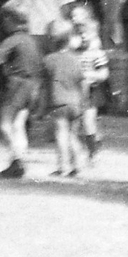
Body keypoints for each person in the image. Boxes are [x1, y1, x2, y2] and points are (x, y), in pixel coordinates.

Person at [0, 6, 43, 179]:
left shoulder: (13, 39)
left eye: (5, 21)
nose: (3, 25)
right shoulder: (31, 41)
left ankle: (18, 160)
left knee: (4, 124)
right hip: (33, 86)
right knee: (19, 126)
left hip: (17, 85)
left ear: (11, 21)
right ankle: (16, 164)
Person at [41, 20, 87, 178]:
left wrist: (41, 105)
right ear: (69, 40)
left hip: (57, 102)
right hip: (75, 103)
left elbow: (44, 85)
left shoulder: (48, 60)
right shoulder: (76, 59)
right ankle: (78, 165)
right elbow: (82, 83)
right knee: (73, 135)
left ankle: (63, 167)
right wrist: (84, 103)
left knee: (61, 134)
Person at [70, 0, 110, 160]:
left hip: (91, 90)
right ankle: (79, 150)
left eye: (86, 33)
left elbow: (104, 73)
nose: (83, 36)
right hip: (75, 88)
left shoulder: (96, 53)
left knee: (88, 121)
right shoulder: (73, 52)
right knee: (75, 122)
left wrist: (92, 76)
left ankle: (92, 150)